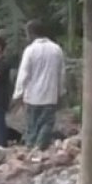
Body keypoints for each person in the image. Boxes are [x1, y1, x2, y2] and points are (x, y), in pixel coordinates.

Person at [13, 19, 65, 151]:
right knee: (46, 124)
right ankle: (40, 148)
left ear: (31, 33)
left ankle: (31, 148)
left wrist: (18, 94)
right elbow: (61, 74)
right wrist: (61, 92)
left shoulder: (30, 50)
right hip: (50, 96)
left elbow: (23, 74)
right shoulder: (56, 49)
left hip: (32, 97)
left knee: (32, 125)